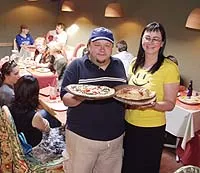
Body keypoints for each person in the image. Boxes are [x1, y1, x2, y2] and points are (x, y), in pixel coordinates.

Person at [60, 27, 127, 173]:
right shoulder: (76, 66)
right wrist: (83, 96)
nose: (102, 50)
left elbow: (123, 92)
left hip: (114, 140)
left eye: (107, 45)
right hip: (82, 138)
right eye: (97, 45)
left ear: (112, 48)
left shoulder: (119, 65)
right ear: (89, 46)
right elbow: (65, 99)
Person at [122, 22, 180, 173]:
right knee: (128, 164)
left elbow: (170, 103)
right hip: (129, 123)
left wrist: (151, 105)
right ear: (142, 40)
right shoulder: (134, 63)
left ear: (162, 43)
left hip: (151, 128)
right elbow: (128, 92)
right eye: (147, 38)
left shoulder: (169, 67)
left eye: (155, 39)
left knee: (146, 167)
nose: (150, 42)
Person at [9, 75, 51, 147]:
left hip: (18, 135)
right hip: (30, 144)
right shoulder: (33, 116)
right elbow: (46, 129)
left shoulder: (11, 104)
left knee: (45, 113)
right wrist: (45, 122)